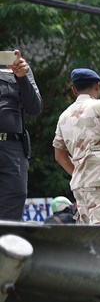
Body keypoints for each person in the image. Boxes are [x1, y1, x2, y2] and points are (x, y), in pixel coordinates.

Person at [53, 68, 100, 225]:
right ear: (97, 85)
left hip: (79, 185)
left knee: (87, 237)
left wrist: (80, 173)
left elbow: (59, 155)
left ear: (74, 89)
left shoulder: (64, 116)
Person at [0, 49, 42, 221]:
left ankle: (6, 247)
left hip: (13, 147)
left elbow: (35, 108)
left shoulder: (16, 67)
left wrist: (22, 77)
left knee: (14, 201)